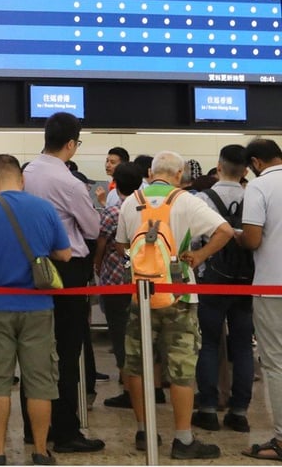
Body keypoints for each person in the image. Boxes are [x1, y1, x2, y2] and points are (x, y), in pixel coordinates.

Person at [116, 151, 232, 460]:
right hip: (179, 293)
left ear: (150, 173)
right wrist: (200, 255)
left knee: (138, 365)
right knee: (181, 367)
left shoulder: (131, 200)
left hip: (140, 293)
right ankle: (183, 439)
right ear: (179, 174)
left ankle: (144, 430)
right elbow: (224, 231)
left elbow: (121, 244)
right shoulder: (187, 200)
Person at [0, 154, 71, 466]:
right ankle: (40, 450)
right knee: (40, 381)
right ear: (21, 179)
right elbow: (64, 253)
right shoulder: (44, 208)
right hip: (38, 305)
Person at [21, 112, 104, 454]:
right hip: (68, 270)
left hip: (32, 267)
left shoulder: (26, 172)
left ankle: (33, 428)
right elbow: (93, 229)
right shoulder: (70, 183)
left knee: (35, 349)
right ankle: (66, 431)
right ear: (71, 143)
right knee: (68, 352)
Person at [192, 144, 254, 433]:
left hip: (212, 279)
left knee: (209, 343)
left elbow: (193, 242)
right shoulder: (254, 195)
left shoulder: (202, 198)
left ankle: (207, 409)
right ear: (245, 170)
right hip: (246, 281)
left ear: (218, 167)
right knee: (242, 346)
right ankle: (239, 412)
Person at [239, 139, 282, 461]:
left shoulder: (260, 187)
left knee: (276, 364)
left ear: (255, 162)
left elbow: (253, 239)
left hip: (272, 286)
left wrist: (232, 234)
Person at [93, 162, 145, 410]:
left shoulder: (113, 212)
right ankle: (148, 386)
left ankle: (128, 389)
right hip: (144, 280)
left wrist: (97, 264)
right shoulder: (146, 209)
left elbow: (102, 243)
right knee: (140, 334)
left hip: (116, 281)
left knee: (120, 335)